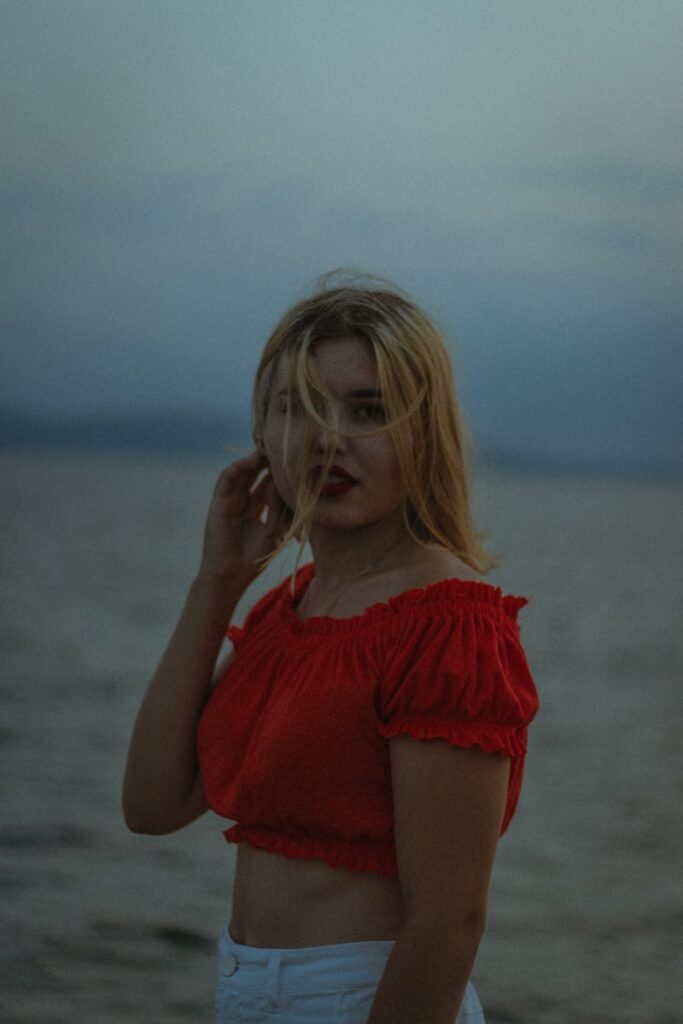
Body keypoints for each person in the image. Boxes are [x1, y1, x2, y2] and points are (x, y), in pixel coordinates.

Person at [122, 272, 540, 1024]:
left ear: (424, 431)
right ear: (262, 435)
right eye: (299, 408)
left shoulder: (446, 626)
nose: (327, 439)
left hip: (366, 999)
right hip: (243, 990)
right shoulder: (295, 608)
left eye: (368, 410)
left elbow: (448, 924)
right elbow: (152, 804)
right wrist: (218, 580)